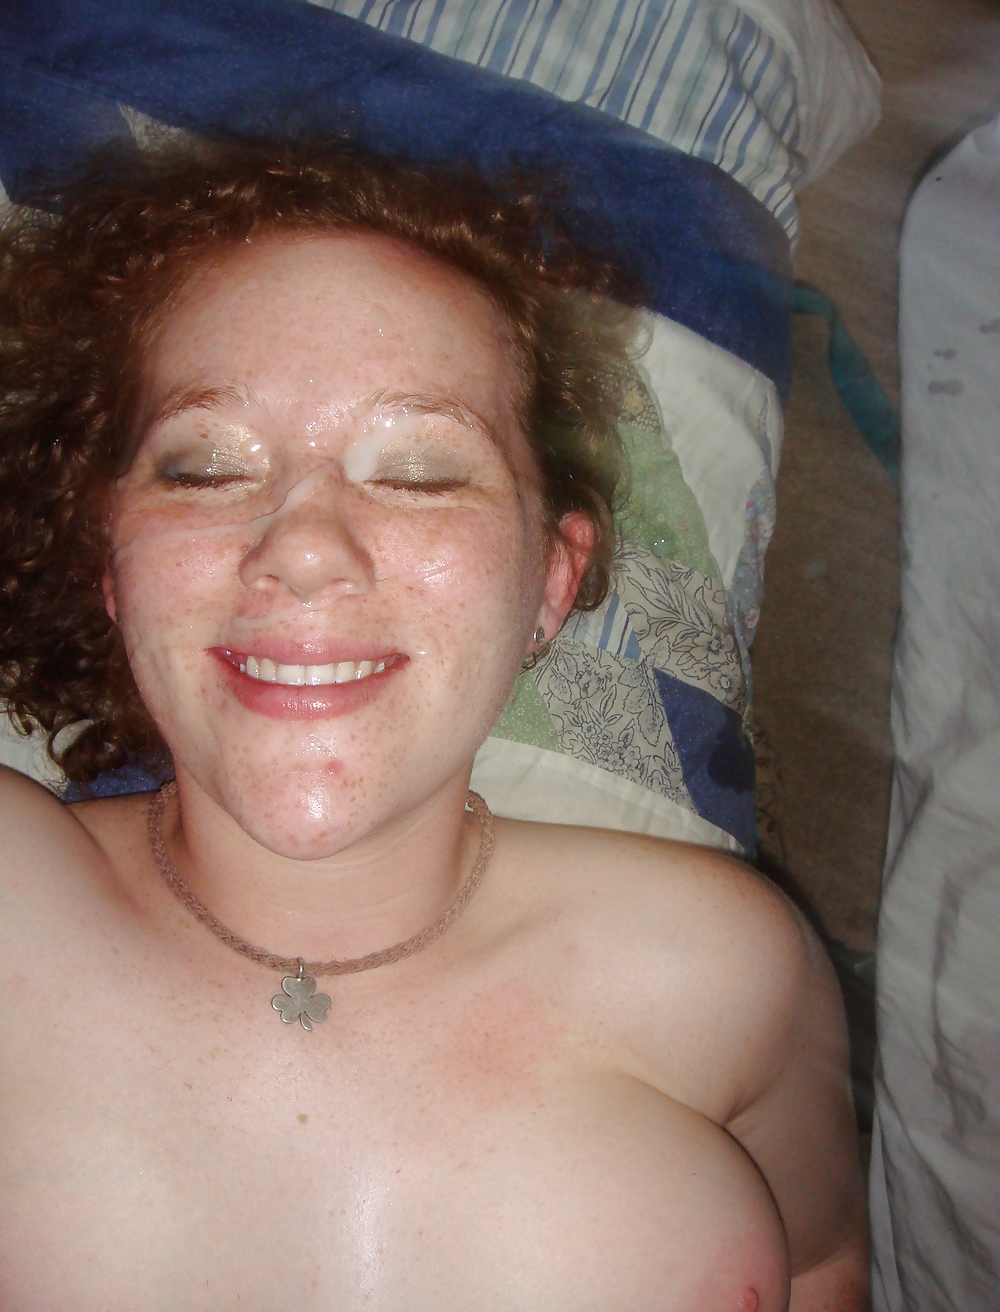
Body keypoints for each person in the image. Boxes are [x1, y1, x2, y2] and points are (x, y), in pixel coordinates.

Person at [0, 139, 867, 1309]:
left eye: (418, 470)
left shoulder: (727, 967)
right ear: (113, 570)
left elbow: (822, 1263)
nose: (305, 548)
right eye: (203, 467)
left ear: (550, 583)